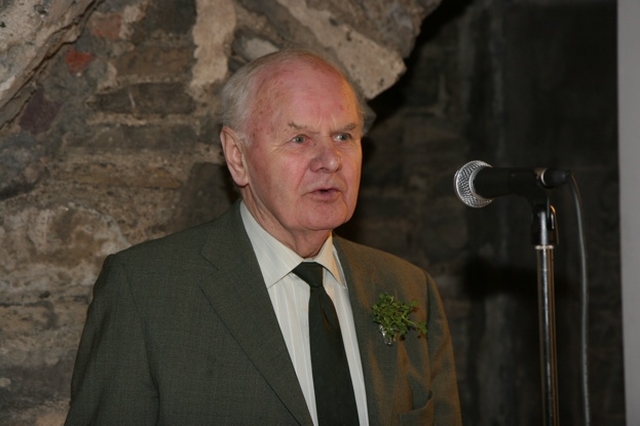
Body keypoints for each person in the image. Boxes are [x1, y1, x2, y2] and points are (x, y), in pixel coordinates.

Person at [65, 49, 462, 425]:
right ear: (238, 157)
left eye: (344, 136)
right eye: (300, 139)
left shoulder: (408, 289)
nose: (331, 161)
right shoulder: (147, 292)